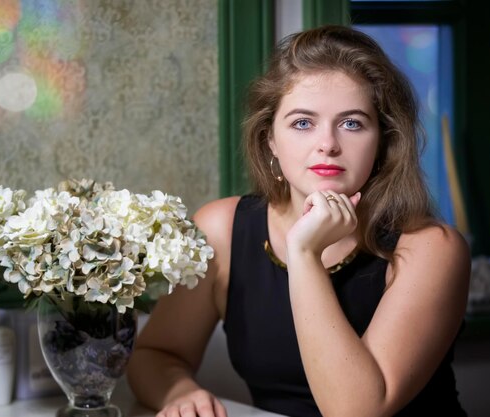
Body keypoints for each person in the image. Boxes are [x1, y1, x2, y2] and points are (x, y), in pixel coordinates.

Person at [127, 25, 470, 417]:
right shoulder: (221, 229)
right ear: (270, 138)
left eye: (352, 122)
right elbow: (155, 354)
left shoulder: (430, 248)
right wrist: (178, 393)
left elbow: (355, 410)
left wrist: (304, 253)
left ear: (383, 141)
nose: (328, 143)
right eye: (303, 123)